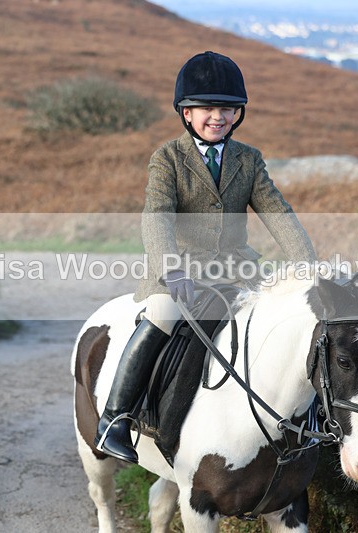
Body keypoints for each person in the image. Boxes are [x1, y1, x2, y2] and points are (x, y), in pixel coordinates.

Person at [94, 51, 316, 464]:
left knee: (286, 322)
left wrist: (307, 264)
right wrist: (170, 266)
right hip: (179, 271)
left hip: (238, 268)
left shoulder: (248, 159)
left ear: (239, 113)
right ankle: (114, 419)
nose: (218, 116)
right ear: (186, 112)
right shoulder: (167, 159)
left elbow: (278, 213)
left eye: (228, 109)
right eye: (208, 108)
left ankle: (305, 423)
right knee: (162, 315)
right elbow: (156, 217)